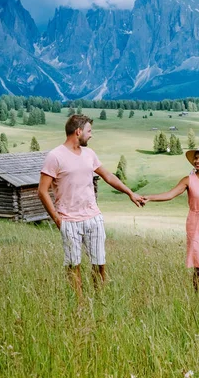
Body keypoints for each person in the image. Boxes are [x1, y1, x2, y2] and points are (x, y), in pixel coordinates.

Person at [38, 114, 144, 296]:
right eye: (89, 131)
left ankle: (99, 299)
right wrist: (57, 219)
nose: (91, 135)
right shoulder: (55, 156)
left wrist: (130, 193)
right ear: (78, 132)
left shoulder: (89, 154)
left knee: (99, 263)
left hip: (93, 218)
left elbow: (108, 176)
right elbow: (42, 191)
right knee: (73, 265)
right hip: (69, 220)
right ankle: (78, 305)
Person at [142, 145, 199, 293]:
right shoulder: (189, 180)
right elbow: (170, 194)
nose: (197, 161)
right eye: (196, 158)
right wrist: (149, 197)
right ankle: (197, 298)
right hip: (195, 224)